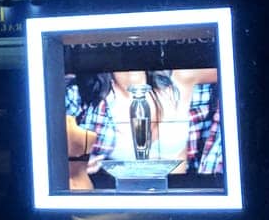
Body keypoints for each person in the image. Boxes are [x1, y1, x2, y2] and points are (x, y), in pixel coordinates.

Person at [64, 69, 221, 187]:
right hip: (127, 205)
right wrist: (77, 164)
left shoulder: (179, 79)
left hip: (180, 198)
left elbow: (235, 66)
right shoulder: (86, 98)